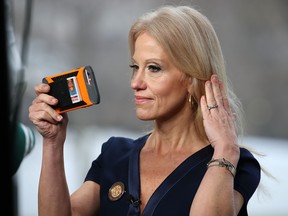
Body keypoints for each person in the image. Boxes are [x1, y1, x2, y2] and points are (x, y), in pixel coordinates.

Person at [28, 5, 261, 216]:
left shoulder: (234, 163)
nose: (135, 82)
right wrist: (53, 144)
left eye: (153, 68)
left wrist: (225, 149)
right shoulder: (114, 154)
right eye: (135, 67)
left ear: (191, 79)